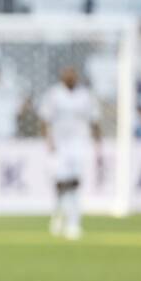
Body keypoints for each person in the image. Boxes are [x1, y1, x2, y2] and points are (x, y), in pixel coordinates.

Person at [38, 67, 102, 240]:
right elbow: (44, 119)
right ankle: (59, 211)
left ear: (76, 76)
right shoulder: (54, 95)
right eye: (67, 74)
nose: (70, 77)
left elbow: (94, 120)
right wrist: (48, 140)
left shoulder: (85, 96)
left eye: (72, 74)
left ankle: (73, 221)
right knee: (61, 181)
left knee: (75, 181)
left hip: (79, 143)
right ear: (62, 77)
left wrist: (98, 142)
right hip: (59, 144)